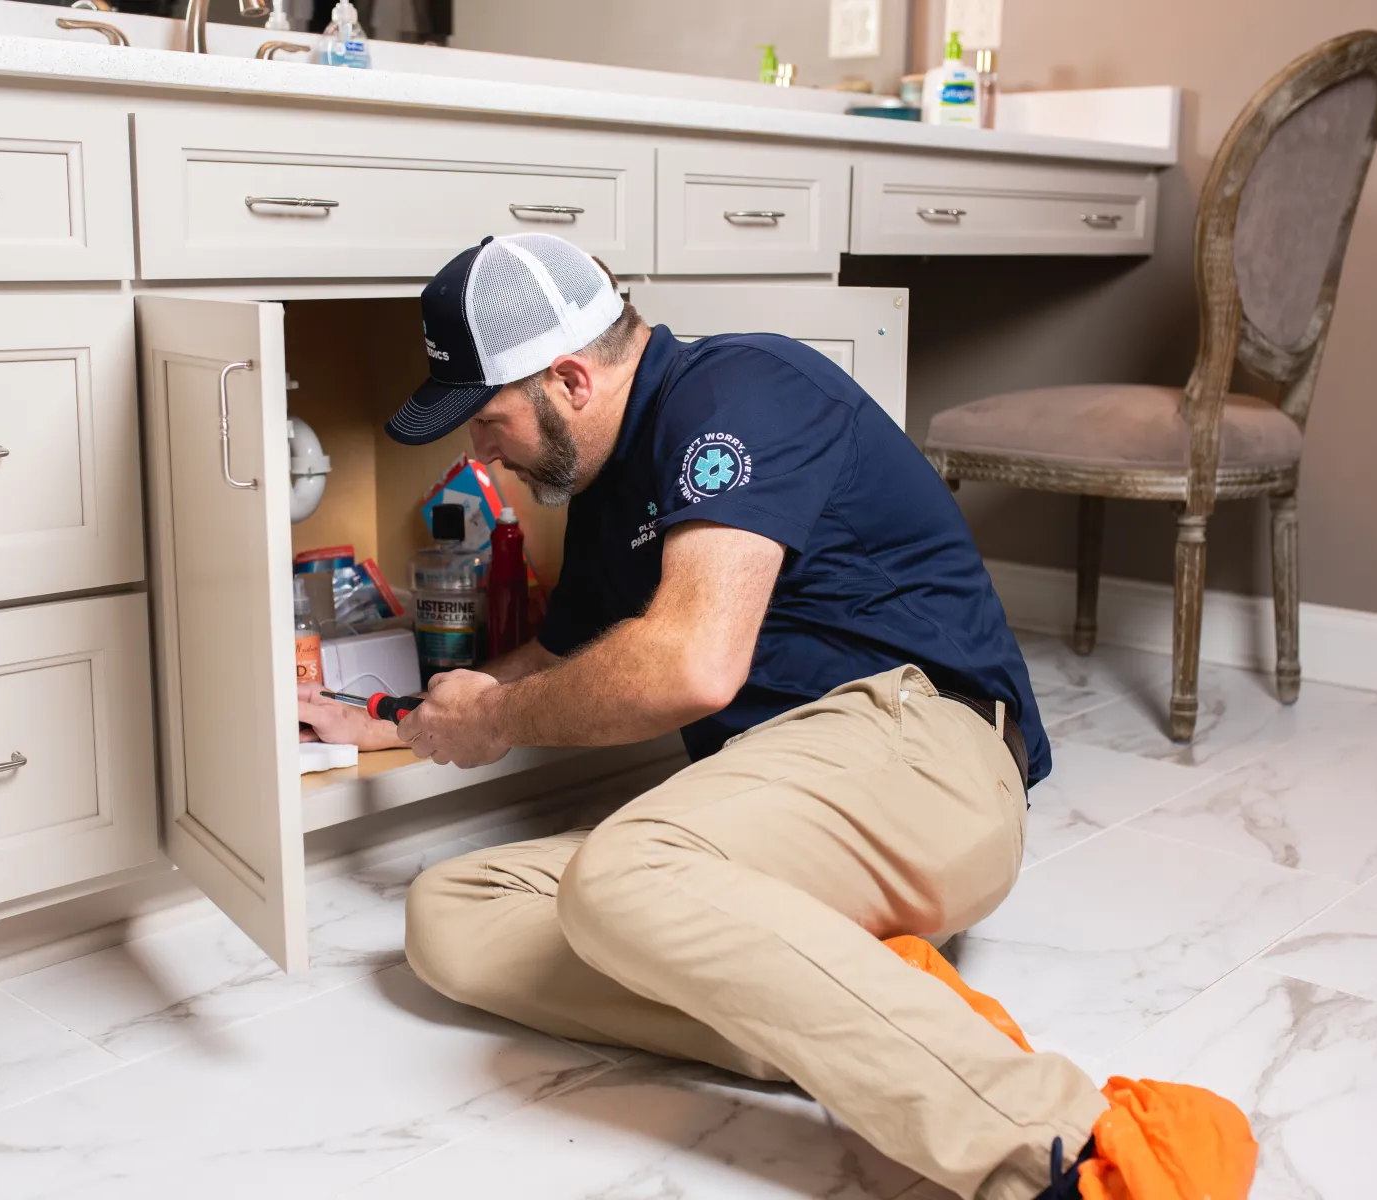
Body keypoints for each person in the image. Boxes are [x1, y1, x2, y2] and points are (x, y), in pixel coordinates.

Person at [297, 232, 1102, 1200]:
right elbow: (551, 663)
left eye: (485, 418)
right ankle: (848, 997)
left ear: (567, 380)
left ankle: (1048, 1144)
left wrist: (502, 717)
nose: (477, 451)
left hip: (924, 749)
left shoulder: (737, 395)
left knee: (624, 874)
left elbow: (691, 666)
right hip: (785, 801)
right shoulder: (605, 496)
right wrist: (397, 721)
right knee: (449, 918)